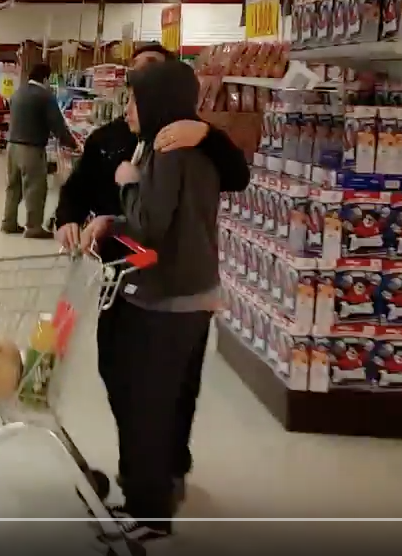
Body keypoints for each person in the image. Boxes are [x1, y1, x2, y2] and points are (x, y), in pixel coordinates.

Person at [56, 42, 249, 539]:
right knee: (147, 393)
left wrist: (118, 203)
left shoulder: (170, 152)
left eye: (134, 100)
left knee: (146, 403)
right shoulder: (181, 148)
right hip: (176, 292)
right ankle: (150, 492)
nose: (126, 110)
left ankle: (149, 510)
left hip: (163, 296)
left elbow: (147, 228)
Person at [3, 64, 77, 239]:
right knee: (35, 187)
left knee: (13, 186)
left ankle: (8, 222)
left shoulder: (18, 92)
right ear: (45, 79)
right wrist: (73, 144)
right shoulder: (44, 96)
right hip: (31, 148)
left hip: (12, 146)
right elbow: (57, 124)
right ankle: (34, 226)